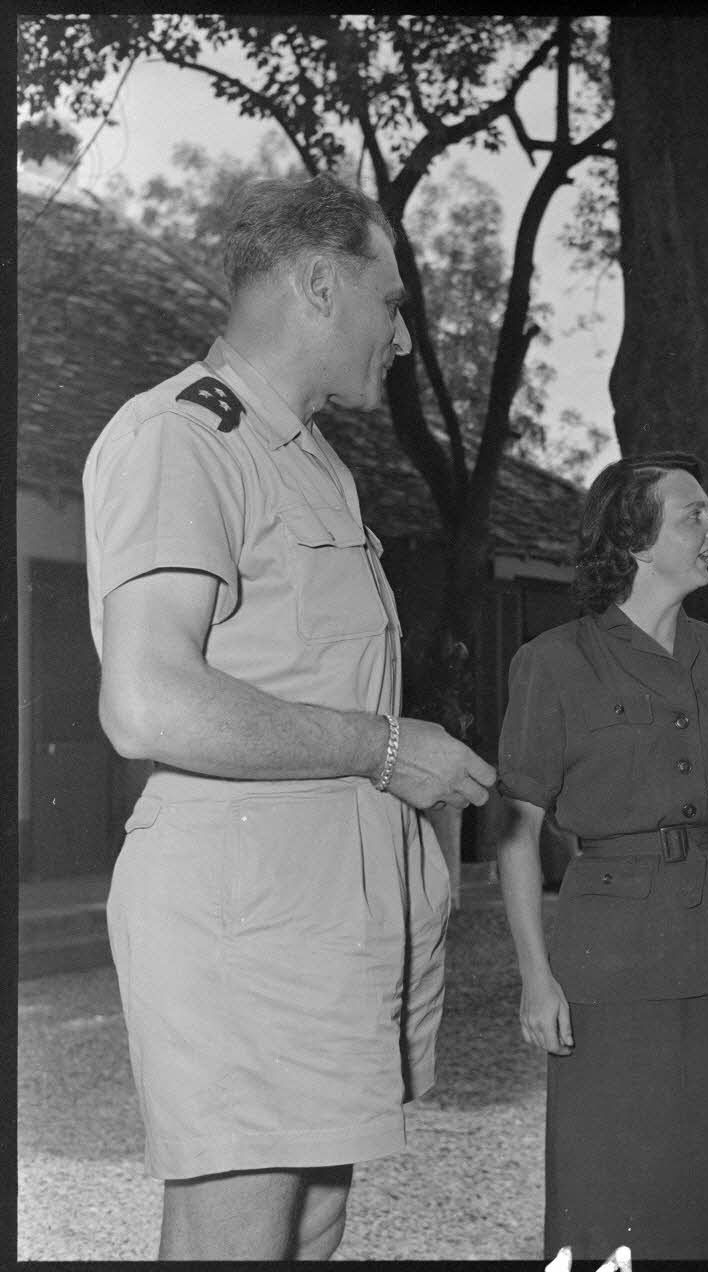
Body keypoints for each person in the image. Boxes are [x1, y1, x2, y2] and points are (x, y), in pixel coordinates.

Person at [84, 174, 496, 1260]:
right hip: (243, 904)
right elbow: (146, 700)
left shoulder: (310, 460)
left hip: (317, 902)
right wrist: (388, 747)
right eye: (392, 302)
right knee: (239, 1234)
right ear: (319, 285)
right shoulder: (184, 437)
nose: (404, 338)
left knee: (306, 1224)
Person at [494, 453, 708, 1262]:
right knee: (619, 1175)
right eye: (693, 516)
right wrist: (536, 978)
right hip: (617, 955)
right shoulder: (552, 664)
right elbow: (517, 834)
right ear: (635, 539)